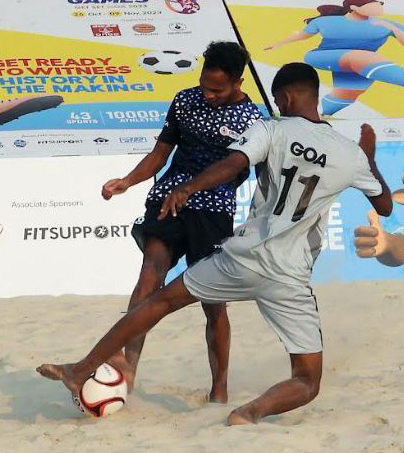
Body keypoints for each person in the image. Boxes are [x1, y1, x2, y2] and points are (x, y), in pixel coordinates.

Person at [38, 62, 393, 424]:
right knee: (306, 381)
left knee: (159, 301)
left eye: (277, 100)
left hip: (243, 259)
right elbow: (384, 205)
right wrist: (369, 159)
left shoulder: (270, 128)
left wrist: (189, 187)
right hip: (290, 276)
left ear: (285, 98)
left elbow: (233, 163)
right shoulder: (349, 154)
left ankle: (81, 369)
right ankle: (248, 413)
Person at [101, 41, 262, 401]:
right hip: (169, 199)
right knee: (149, 274)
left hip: (214, 209)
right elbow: (160, 153)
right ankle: (127, 370)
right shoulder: (185, 100)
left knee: (213, 303)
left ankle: (219, 389)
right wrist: (127, 181)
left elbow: (246, 172)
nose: (207, 94)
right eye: (204, 85)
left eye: (217, 90)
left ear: (237, 83)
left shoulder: (253, 121)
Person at [265, 0, 404, 117]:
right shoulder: (326, 21)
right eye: (373, 4)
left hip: (359, 64)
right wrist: (277, 44)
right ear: (354, 7)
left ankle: (323, 115)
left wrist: (392, 28)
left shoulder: (387, 24)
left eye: (380, 4)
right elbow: (302, 35)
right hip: (324, 56)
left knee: (349, 91)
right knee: (360, 56)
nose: (379, 6)